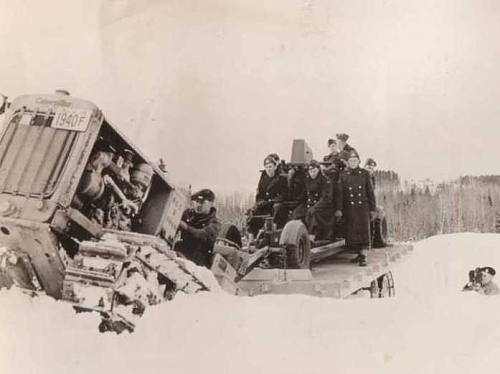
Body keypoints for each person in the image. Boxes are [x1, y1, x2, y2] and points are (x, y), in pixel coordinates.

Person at [335, 152, 376, 266]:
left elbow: (370, 193)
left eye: (355, 160)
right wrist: (339, 209)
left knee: (363, 232)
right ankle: (358, 254)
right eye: (351, 161)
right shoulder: (344, 175)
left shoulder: (364, 174)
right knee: (352, 232)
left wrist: (372, 209)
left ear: (358, 162)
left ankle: (363, 256)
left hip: (362, 208)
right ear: (348, 162)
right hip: (350, 208)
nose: (353, 163)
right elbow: (340, 194)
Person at [175, 189, 221, 268]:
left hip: (199, 262)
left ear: (210, 204)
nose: (198, 205)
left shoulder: (214, 223)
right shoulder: (188, 214)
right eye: (197, 201)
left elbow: (203, 235)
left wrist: (186, 227)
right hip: (181, 251)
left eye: (201, 202)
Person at [249, 155, 289, 236]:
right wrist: (260, 202)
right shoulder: (263, 179)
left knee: (277, 208)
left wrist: (272, 201)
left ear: (275, 167)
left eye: (270, 166)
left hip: (278, 205)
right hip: (266, 205)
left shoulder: (282, 178)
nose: (269, 169)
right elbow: (259, 194)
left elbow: (284, 194)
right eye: (266, 167)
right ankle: (253, 236)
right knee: (255, 212)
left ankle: (275, 231)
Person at [304, 160, 335, 240]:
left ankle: (312, 238)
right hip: (311, 205)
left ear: (318, 170)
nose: (312, 173)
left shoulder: (326, 181)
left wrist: (315, 207)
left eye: (314, 171)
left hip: (324, 208)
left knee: (314, 214)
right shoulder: (307, 180)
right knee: (296, 214)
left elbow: (326, 199)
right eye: (310, 171)